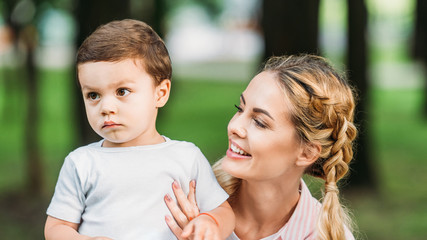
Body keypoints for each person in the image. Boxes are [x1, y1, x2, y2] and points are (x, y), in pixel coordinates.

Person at [44, 19, 235, 240]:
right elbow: (56, 228)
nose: (106, 108)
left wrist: (210, 222)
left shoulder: (186, 157)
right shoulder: (82, 163)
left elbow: (224, 212)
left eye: (122, 91)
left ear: (160, 93)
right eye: (93, 95)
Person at [165, 54, 357, 240]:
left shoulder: (324, 236)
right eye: (240, 109)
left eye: (259, 122)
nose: (234, 127)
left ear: (307, 153)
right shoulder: (189, 202)